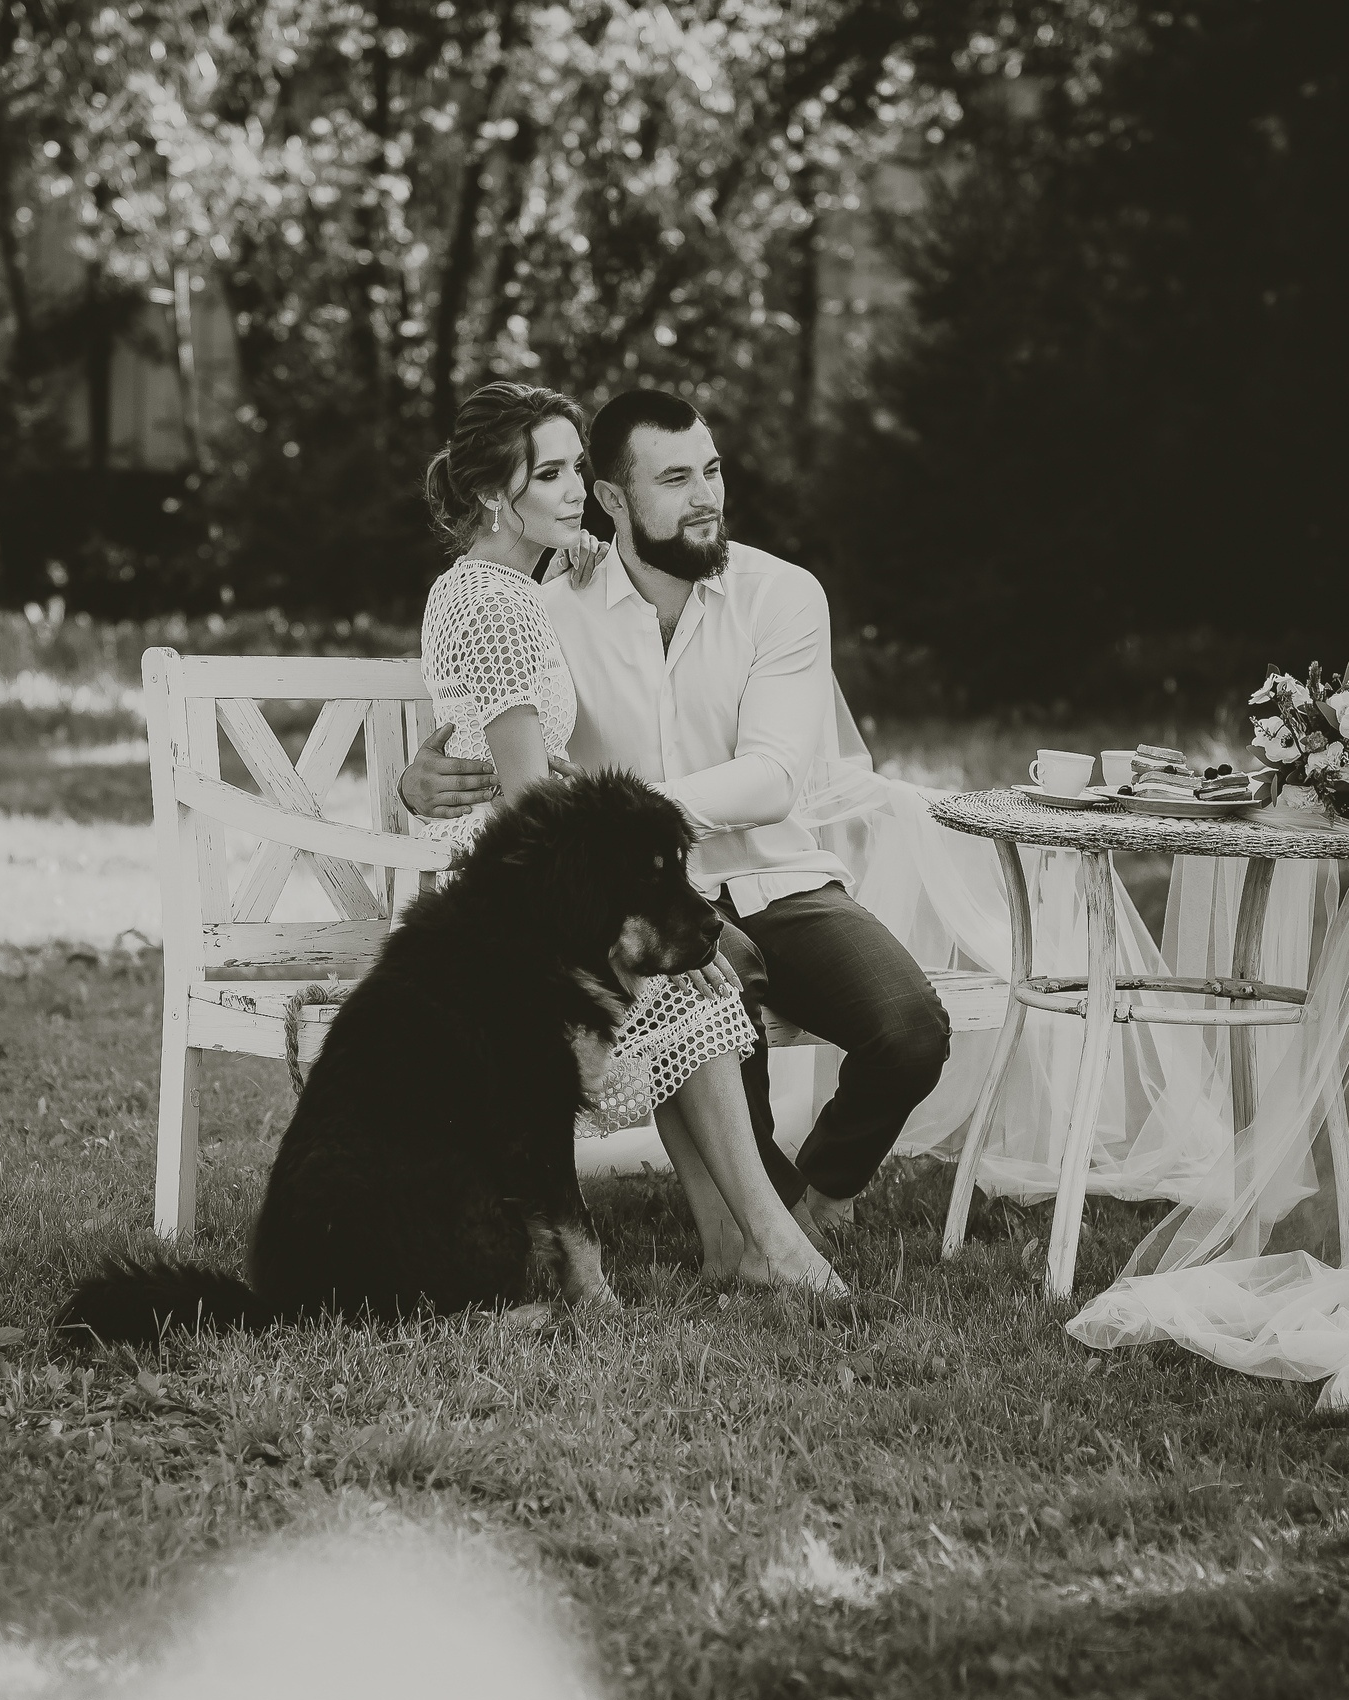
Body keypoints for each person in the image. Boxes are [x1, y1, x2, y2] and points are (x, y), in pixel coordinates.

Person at [404, 389, 950, 1234]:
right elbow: (498, 735)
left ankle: (810, 1198)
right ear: (616, 498)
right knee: (715, 973)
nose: (707, 497)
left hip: (775, 872)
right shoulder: (548, 607)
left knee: (911, 1030)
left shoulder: (783, 595)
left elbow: (772, 779)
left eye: (712, 471)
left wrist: (620, 816)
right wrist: (420, 780)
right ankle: (753, 1222)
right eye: (676, 478)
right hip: (645, 893)